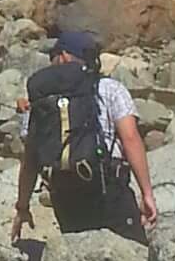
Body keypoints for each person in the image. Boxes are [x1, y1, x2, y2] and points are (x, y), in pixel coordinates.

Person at [13, 29, 158, 247]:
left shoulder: (41, 101)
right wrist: (147, 193)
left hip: (65, 194)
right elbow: (130, 138)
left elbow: (30, 159)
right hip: (108, 186)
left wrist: (22, 207)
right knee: (131, 256)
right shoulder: (110, 88)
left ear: (63, 57)